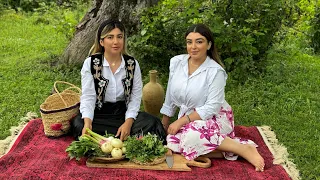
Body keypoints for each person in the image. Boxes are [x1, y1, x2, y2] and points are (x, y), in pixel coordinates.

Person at [160, 24, 265, 171]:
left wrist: (180, 122)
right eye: (189, 42)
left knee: (190, 137)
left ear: (209, 45)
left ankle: (242, 149)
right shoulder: (176, 62)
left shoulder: (216, 71)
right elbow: (170, 95)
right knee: (172, 142)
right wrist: (164, 125)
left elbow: (212, 107)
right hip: (189, 117)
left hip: (214, 117)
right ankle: (224, 151)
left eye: (199, 41)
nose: (193, 47)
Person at [71, 19, 166, 142]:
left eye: (119, 37)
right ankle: (121, 139)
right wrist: (88, 123)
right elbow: (88, 96)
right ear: (102, 41)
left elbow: (135, 98)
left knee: (152, 122)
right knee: (78, 123)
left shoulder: (132, 64)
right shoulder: (90, 64)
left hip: (122, 114)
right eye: (110, 37)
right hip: (99, 115)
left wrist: (128, 123)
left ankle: (116, 137)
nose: (116, 42)